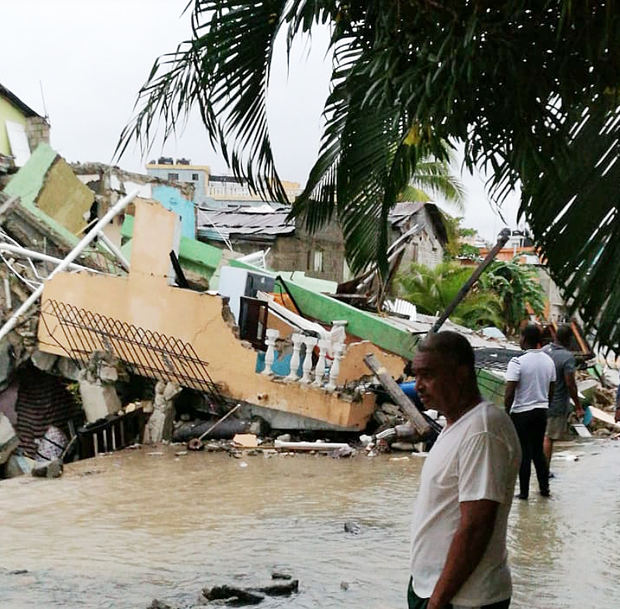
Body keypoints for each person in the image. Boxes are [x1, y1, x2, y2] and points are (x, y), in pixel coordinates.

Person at [409, 331, 521, 609]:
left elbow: (475, 527)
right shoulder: (457, 425)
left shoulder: (482, 431)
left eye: (428, 375)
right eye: (416, 375)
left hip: (463, 600)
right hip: (436, 589)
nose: (418, 385)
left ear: (461, 373)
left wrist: (437, 602)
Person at [504, 324, 555, 499]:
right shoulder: (549, 361)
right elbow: (552, 388)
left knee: (524, 453)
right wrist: (545, 403)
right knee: (538, 452)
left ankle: (524, 493)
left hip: (521, 413)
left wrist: (506, 412)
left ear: (524, 339)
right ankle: (545, 490)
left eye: (520, 336)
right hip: (541, 411)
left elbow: (509, 391)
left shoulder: (517, 361)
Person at [542, 324, 584, 465]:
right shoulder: (567, 357)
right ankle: (544, 472)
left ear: (555, 336)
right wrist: (578, 406)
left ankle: (535, 472)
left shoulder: (543, 351)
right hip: (556, 404)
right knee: (548, 437)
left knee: (538, 436)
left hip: (537, 401)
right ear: (569, 339)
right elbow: (570, 384)